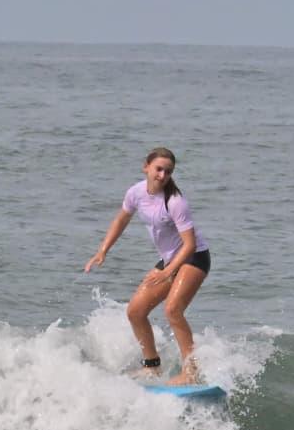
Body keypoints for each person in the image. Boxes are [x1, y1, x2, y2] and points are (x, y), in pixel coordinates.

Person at [84, 147, 212, 385]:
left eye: (168, 171)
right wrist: (102, 251)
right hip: (170, 260)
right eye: (158, 169)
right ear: (146, 167)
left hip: (194, 257)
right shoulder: (136, 193)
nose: (162, 175)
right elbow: (121, 219)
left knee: (173, 310)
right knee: (135, 311)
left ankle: (191, 372)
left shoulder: (175, 202)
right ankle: (152, 366)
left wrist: (167, 272)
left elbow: (190, 245)